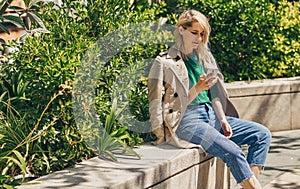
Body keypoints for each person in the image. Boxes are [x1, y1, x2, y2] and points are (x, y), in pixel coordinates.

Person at [148, 9, 271, 189]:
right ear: (181, 29)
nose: (199, 38)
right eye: (194, 32)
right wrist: (161, 135)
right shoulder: (165, 62)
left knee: (262, 135)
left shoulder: (205, 58)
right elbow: (156, 103)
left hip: (211, 116)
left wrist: (222, 120)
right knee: (233, 152)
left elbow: (215, 95)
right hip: (188, 122)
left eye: (202, 34)